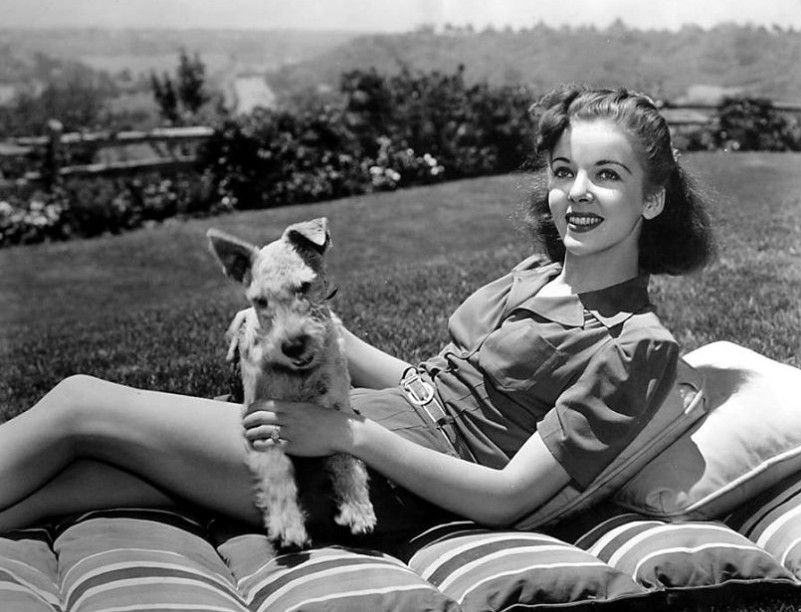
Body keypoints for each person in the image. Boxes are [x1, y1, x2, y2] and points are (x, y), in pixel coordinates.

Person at [0, 84, 715, 544]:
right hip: (367, 415)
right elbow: (433, 388)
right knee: (68, 482)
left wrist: (341, 434)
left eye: (607, 174)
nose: (577, 192)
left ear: (650, 200)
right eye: (564, 171)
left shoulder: (632, 344)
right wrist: (314, 333)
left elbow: (504, 498)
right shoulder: (535, 277)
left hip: (384, 476)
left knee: (79, 404)